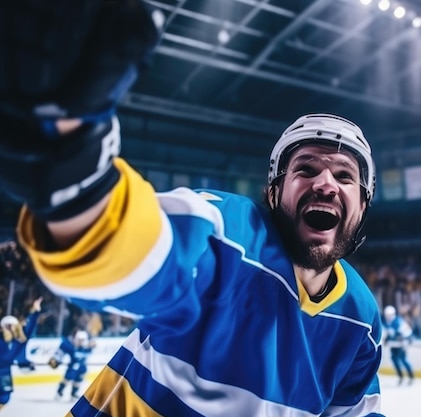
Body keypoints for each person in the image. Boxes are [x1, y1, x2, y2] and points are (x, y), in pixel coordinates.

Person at [0, 2, 385, 416]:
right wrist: (69, 170)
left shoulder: (362, 319)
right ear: (273, 194)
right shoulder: (228, 236)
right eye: (305, 169)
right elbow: (149, 252)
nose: (325, 183)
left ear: (363, 205)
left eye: (345, 176)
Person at [0, 297, 42, 411]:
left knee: (5, 398)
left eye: (12, 326)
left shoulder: (18, 342)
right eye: (7, 326)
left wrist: (35, 311)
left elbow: (29, 329)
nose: (9, 328)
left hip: (5, 375)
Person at [49, 330, 96, 401]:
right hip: (72, 367)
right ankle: (59, 392)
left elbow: (93, 343)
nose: (80, 341)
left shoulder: (88, 347)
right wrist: (56, 358)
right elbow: (61, 351)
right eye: (79, 340)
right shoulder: (71, 347)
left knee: (78, 381)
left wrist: (92, 343)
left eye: (82, 340)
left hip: (82, 367)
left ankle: (73, 393)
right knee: (66, 379)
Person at [382, 305, 414, 385]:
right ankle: (400, 376)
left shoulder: (398, 322)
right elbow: (389, 333)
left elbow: (406, 333)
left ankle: (411, 376)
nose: (387, 317)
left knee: (403, 359)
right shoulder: (387, 322)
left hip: (402, 344)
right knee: (394, 359)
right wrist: (386, 340)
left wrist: (406, 339)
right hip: (394, 345)